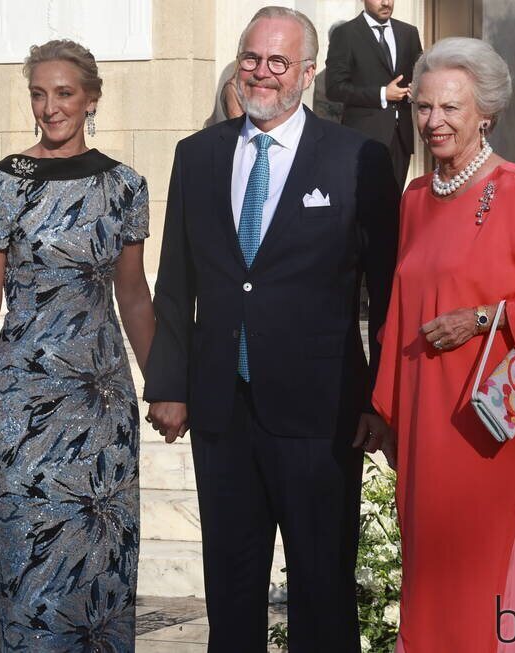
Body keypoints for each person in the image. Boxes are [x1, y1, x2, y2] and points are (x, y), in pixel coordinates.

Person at [145, 7, 399, 651]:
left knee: (322, 590)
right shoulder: (198, 155)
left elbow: (389, 288)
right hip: (223, 410)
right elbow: (176, 282)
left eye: (278, 62)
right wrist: (168, 384)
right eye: (251, 58)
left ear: (308, 73)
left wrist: (382, 398)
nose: (261, 73)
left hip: (321, 414)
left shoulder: (357, 158)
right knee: (231, 591)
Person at [371, 37, 515, 652]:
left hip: (491, 423)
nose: (433, 121)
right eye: (424, 108)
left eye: (451, 108)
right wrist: (387, 410)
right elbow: (398, 308)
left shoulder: (514, 190)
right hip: (425, 417)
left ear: (484, 115)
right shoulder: (415, 199)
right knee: (428, 568)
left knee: (486, 569)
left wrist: (482, 317)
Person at [0, 39, 155, 650]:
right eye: (39, 94)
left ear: (91, 98)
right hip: (24, 404)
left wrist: (167, 385)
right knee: (29, 571)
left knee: (101, 573)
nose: (50, 107)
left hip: (101, 410)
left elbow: (136, 297)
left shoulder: (125, 187)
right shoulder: (0, 186)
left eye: (64, 93)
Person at [325, 0, 423, 188]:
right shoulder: (345, 34)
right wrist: (382, 94)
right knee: (363, 206)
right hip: (363, 137)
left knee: (394, 205)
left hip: (400, 137)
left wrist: (416, 90)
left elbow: (419, 75)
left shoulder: (409, 33)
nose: (386, 3)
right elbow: (335, 87)